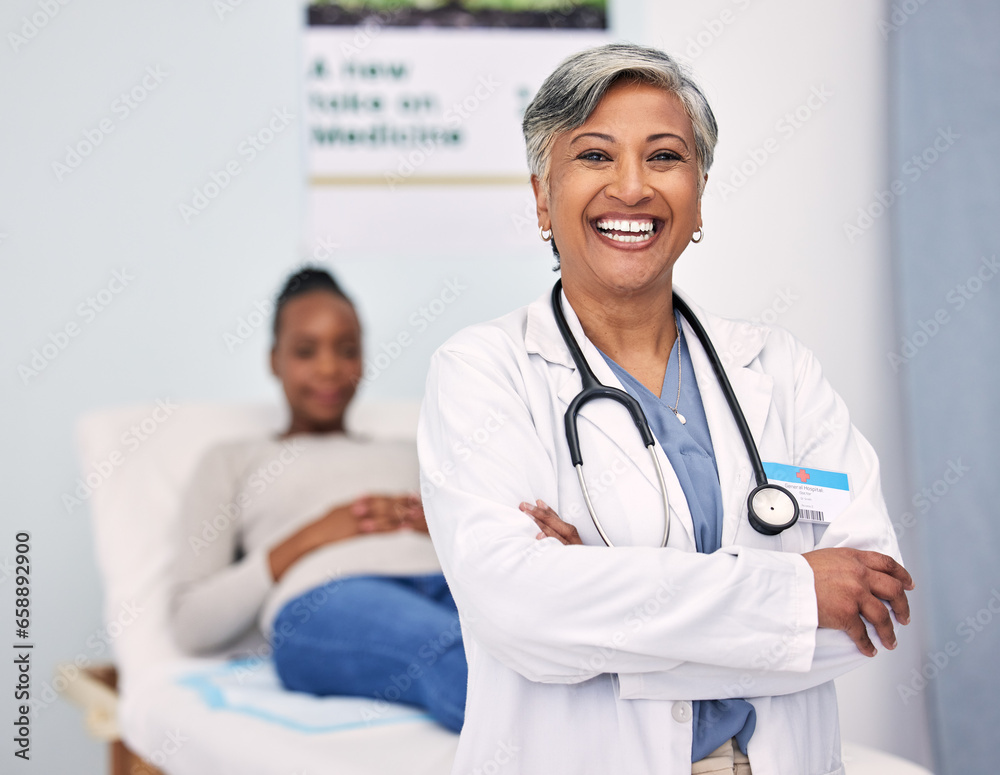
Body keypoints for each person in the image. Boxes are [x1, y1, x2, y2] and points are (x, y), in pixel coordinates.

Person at [417, 44, 913, 773]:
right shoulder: (483, 372)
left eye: (664, 157)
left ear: (699, 193)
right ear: (540, 196)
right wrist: (797, 589)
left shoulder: (781, 370)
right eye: (593, 155)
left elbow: (870, 610)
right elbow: (519, 614)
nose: (631, 187)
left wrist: (604, 601)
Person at [169, 267, 466, 732]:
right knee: (454, 652)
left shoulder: (414, 449)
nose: (329, 368)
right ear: (274, 360)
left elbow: (487, 545)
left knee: (549, 647)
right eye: (306, 351)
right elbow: (191, 624)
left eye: (346, 350)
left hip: (446, 582)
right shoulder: (233, 460)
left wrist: (444, 527)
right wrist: (315, 535)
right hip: (326, 600)